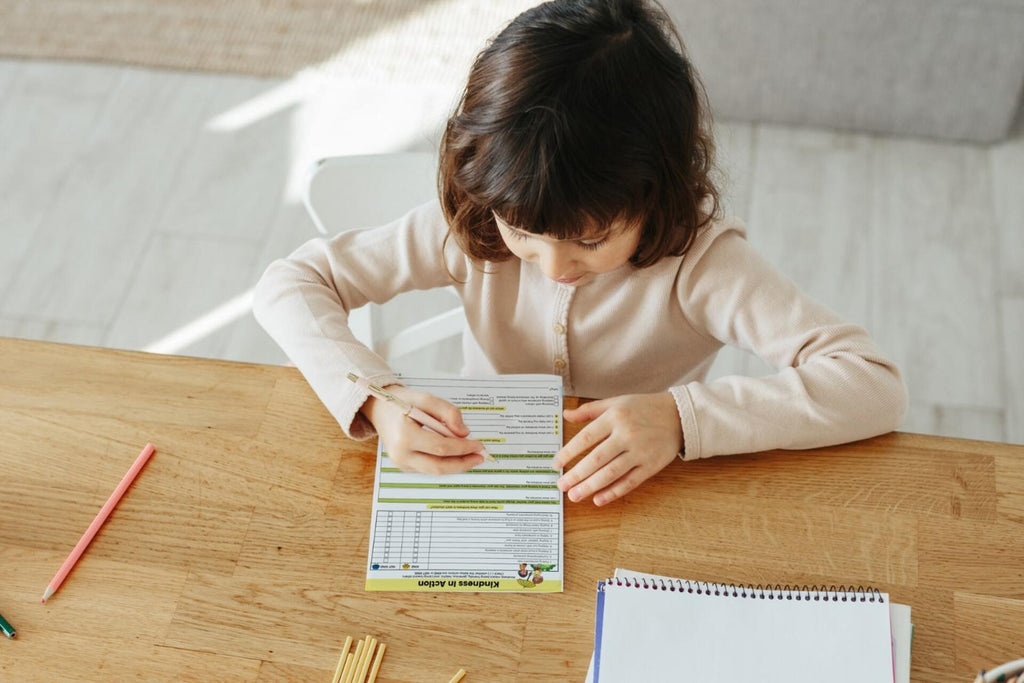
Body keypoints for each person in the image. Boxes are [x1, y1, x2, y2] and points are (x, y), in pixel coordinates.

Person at [253, 0, 907, 507]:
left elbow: (874, 385)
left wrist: (682, 418)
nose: (554, 266)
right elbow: (291, 283)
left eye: (590, 241)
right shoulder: (472, 228)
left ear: (659, 195)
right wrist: (378, 398)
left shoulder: (702, 263)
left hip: (645, 487)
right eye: (525, 233)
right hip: (485, 473)